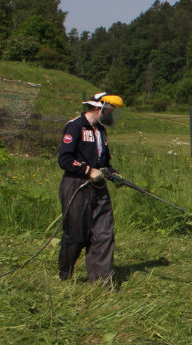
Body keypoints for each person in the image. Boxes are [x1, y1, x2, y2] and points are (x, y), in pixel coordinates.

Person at [57, 92, 124, 284]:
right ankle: (65, 274)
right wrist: (88, 170)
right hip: (76, 186)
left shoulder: (101, 131)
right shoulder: (75, 126)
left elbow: (104, 162)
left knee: (104, 233)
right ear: (98, 107)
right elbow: (65, 160)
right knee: (77, 235)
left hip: (98, 187)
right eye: (109, 110)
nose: (111, 114)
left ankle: (101, 280)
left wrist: (112, 173)